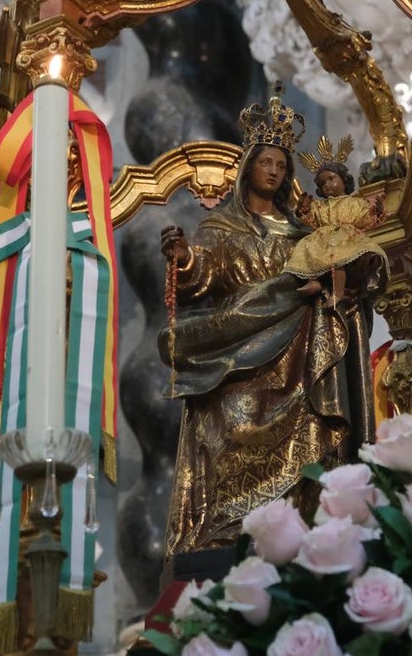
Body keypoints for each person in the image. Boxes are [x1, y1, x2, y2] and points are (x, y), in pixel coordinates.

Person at [158, 91, 378, 560]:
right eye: (266, 162)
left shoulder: (303, 233)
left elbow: (335, 273)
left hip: (297, 357)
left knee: (311, 428)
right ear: (248, 168)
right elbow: (205, 272)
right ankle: (230, 530)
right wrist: (184, 259)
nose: (275, 170)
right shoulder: (222, 227)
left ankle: (302, 520)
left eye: (281, 163)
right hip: (238, 353)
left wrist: (333, 286)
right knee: (228, 425)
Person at [285, 143, 388, 308]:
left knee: (338, 255)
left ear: (344, 180)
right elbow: (310, 219)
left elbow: (365, 220)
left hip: (346, 239)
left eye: (331, 179)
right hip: (323, 238)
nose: (326, 185)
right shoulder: (321, 206)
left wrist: (376, 212)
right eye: (322, 183)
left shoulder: (355, 203)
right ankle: (314, 280)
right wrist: (303, 209)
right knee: (307, 246)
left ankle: (338, 293)